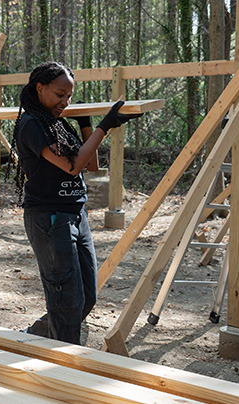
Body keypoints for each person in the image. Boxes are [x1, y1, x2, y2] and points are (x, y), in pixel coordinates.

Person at [10, 61, 141, 344]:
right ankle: (63, 369)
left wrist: (86, 124)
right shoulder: (32, 125)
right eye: (59, 94)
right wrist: (105, 126)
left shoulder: (58, 124)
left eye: (69, 96)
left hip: (75, 215)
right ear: (40, 88)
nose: (65, 102)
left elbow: (90, 163)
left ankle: (35, 336)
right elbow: (71, 165)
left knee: (86, 298)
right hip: (49, 217)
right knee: (67, 301)